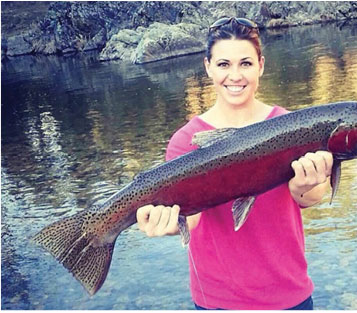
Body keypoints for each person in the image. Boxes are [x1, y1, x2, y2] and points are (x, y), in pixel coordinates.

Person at [136, 17, 333, 310]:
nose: (235, 75)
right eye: (224, 64)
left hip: (289, 295)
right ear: (208, 68)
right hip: (218, 302)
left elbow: (315, 197)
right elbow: (190, 217)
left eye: (246, 64)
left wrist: (308, 185)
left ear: (261, 66)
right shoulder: (186, 141)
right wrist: (168, 223)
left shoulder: (292, 125)